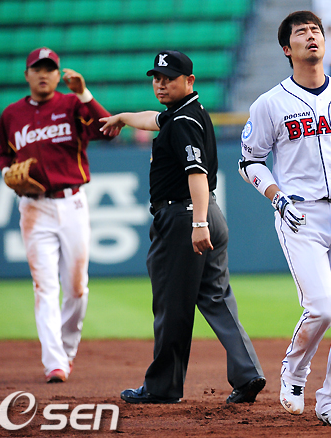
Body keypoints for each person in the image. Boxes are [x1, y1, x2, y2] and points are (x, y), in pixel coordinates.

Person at [238, 11, 331, 426]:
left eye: (316, 30)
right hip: (301, 213)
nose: (311, 36)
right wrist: (276, 197)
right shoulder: (270, 103)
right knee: (321, 307)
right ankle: (294, 371)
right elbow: (249, 161)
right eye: (301, 32)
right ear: (287, 49)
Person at [100, 50, 266, 404]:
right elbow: (153, 119)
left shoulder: (182, 121)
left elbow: (196, 173)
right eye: (157, 78)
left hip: (184, 218)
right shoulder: (186, 112)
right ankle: (248, 373)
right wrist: (123, 118)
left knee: (171, 304)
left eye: (169, 78)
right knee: (217, 298)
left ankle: (162, 387)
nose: (161, 84)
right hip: (207, 214)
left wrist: (198, 223)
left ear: (189, 80)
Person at [0, 47, 112, 383]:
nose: (43, 74)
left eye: (50, 69)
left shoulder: (72, 104)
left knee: (76, 289)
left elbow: (106, 129)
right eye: (37, 68)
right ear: (27, 75)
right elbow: (4, 154)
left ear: (57, 74)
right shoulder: (11, 115)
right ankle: (54, 363)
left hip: (71, 203)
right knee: (44, 287)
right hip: (34, 208)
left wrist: (84, 93)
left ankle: (66, 350)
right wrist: (6, 171)